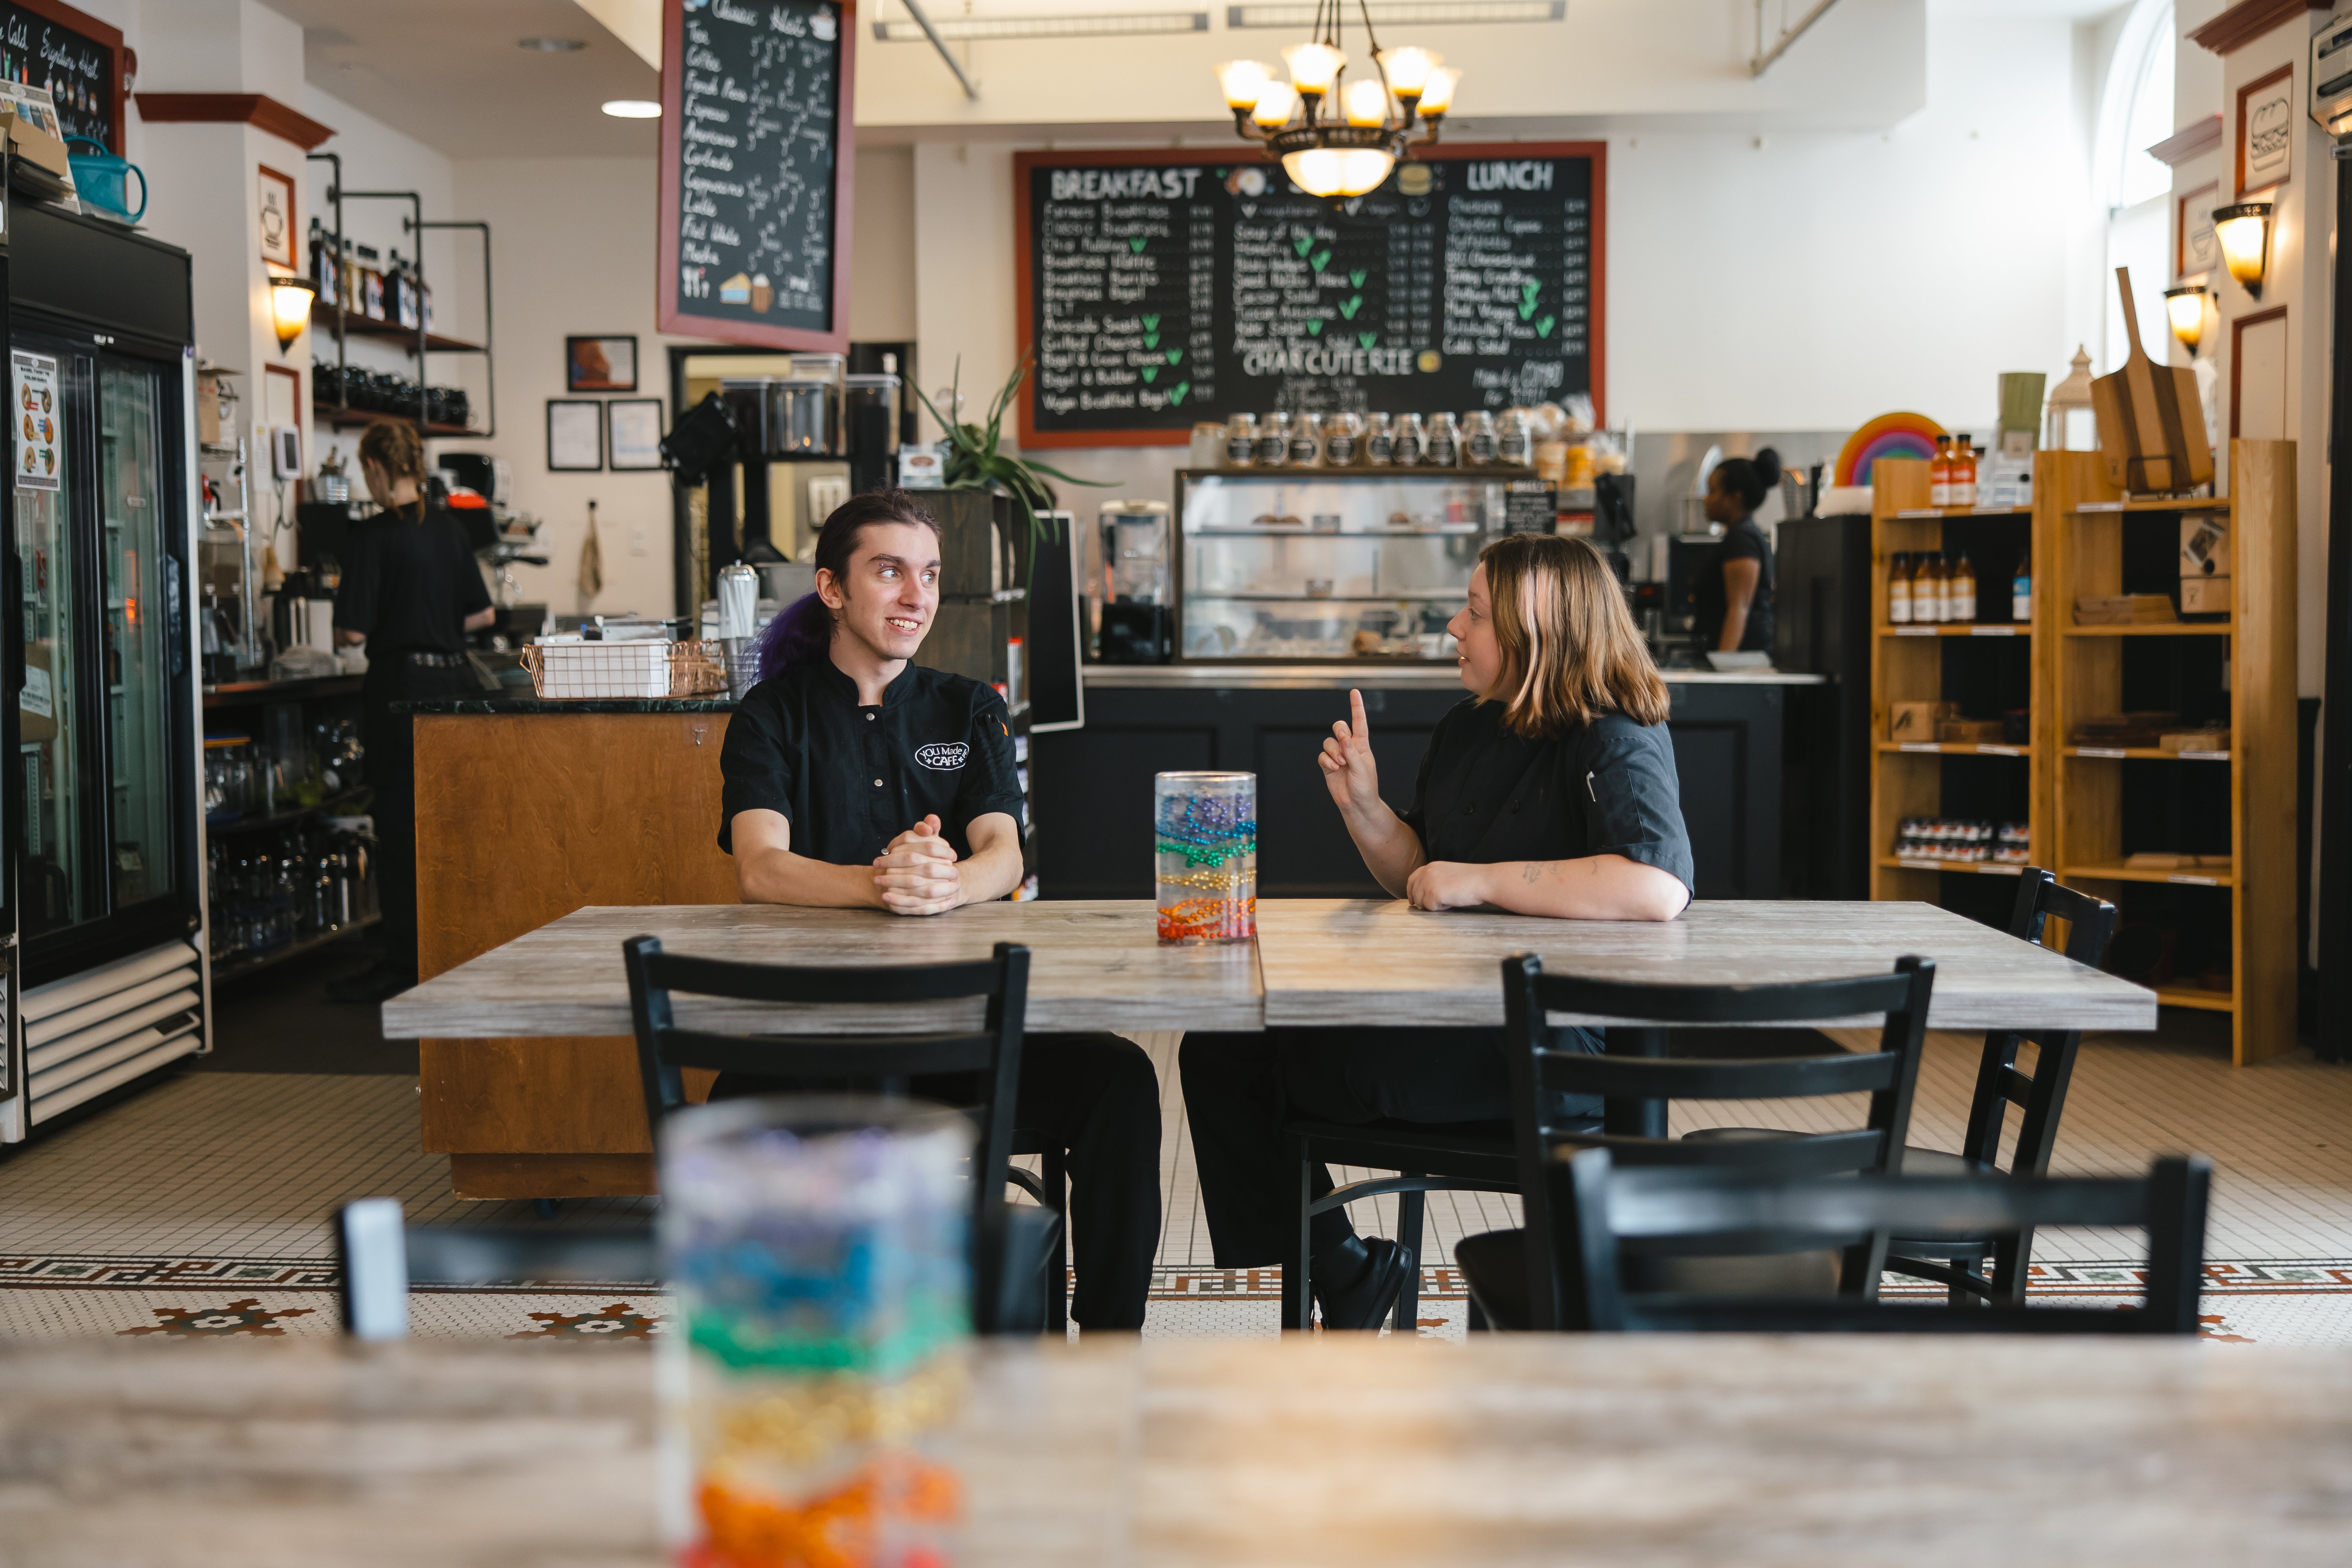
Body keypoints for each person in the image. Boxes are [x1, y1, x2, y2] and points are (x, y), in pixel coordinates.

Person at [1178, 533, 1694, 1329]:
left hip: (1552, 1051)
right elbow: (1419, 872)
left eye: (1475, 612)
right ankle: (1340, 1264)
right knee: (1220, 1045)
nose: (1454, 626)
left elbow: (1655, 885)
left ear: (1536, 629)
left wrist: (1482, 881)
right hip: (1451, 1022)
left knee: (1252, 1062)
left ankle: (1343, 1273)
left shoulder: (1614, 730)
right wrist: (1364, 808)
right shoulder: (1469, 725)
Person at [716, 489, 1161, 1332]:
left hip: (967, 1039)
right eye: (888, 571)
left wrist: (948, 881)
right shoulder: (770, 715)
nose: (915, 595)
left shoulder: (969, 706)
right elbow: (761, 867)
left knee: (1122, 1081)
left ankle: (1108, 1347)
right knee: (736, 1098)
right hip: (816, 1048)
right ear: (833, 587)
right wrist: (882, 880)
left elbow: (1003, 849)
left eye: (927, 573)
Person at [327, 421, 495, 1004]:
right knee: (451, 824)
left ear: (376, 466)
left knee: (401, 827)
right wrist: (438, 622)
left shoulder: (372, 536)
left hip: (400, 688)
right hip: (454, 686)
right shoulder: (449, 529)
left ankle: (404, 961)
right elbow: (484, 615)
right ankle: (455, 950)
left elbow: (351, 629)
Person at [1692, 448, 1780, 655]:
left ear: (1735, 498)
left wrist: (1724, 676)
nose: (1706, 499)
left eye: (1713, 491)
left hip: (1741, 661)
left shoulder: (1742, 542)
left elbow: (1738, 609)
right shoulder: (1741, 536)